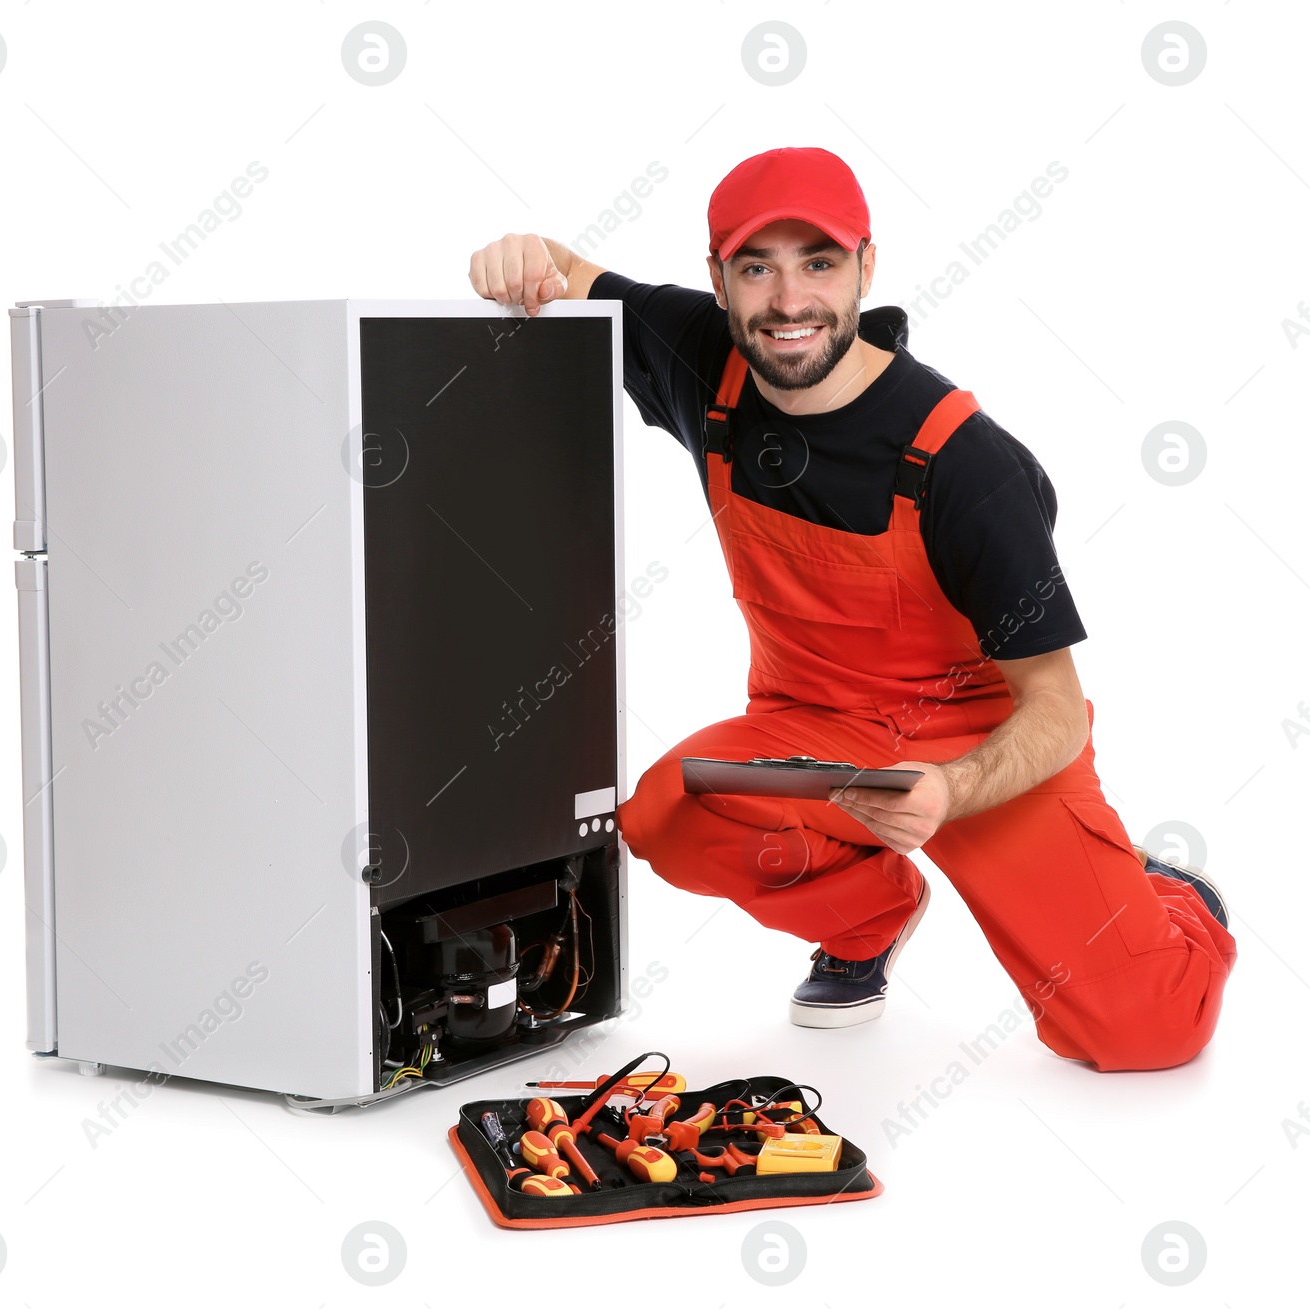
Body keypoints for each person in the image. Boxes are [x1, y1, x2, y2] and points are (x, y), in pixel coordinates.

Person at [467, 146, 1237, 1072]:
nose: (790, 301)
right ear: (718, 280)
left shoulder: (965, 463)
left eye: (820, 263)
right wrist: (520, 254)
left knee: (1141, 1032)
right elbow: (566, 271)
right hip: (814, 736)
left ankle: (1172, 902)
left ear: (868, 269)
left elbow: (1058, 710)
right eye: (758, 267)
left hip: (987, 748)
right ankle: (868, 916)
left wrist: (951, 788)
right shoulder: (696, 359)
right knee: (666, 814)